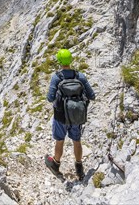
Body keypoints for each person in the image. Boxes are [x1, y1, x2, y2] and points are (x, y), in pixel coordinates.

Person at [45, 48, 96, 180]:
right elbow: (92, 95)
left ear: (59, 61)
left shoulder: (57, 77)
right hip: (77, 117)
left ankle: (55, 164)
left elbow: (50, 98)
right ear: (71, 60)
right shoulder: (80, 76)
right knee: (77, 141)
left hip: (61, 116)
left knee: (60, 141)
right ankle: (79, 169)